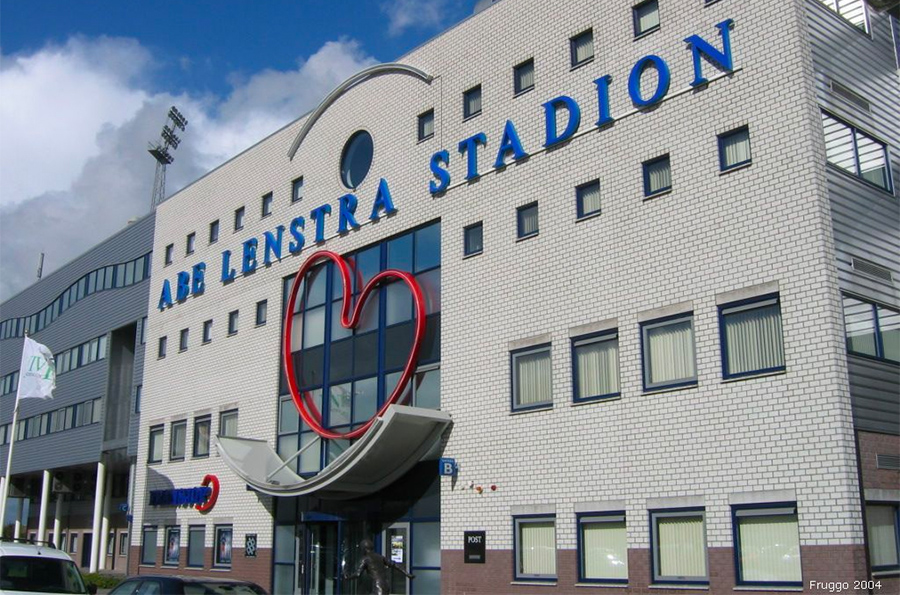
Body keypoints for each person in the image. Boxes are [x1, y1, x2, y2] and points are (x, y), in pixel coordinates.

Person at [344, 538, 414, 595]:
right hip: (385, 585)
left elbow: (358, 574)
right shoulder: (380, 557)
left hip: (378, 587)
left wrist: (348, 577)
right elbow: (395, 565)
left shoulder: (365, 559)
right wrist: (407, 573)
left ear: (364, 548)